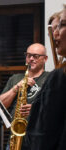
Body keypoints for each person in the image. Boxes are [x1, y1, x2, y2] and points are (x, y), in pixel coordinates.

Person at [26, 5, 66, 150]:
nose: (55, 35)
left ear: (45, 59)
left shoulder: (56, 76)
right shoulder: (17, 79)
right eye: (28, 56)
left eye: (60, 26)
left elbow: (46, 131)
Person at [0, 43, 49, 150]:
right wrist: (16, 87)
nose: (31, 58)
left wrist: (36, 109)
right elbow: (0, 105)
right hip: (15, 137)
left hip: (39, 139)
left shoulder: (50, 78)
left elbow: (58, 108)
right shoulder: (15, 78)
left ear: (45, 59)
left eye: (35, 56)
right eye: (28, 55)